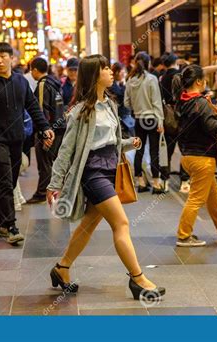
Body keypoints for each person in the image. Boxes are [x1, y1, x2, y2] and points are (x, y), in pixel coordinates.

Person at [46, 54, 165, 301]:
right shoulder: (80, 111)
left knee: (89, 225)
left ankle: (62, 268)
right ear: (94, 75)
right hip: (93, 172)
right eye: (105, 68)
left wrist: (128, 143)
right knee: (121, 223)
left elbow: (108, 141)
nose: (112, 71)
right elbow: (66, 150)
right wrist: (54, 183)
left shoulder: (110, 105)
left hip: (112, 169)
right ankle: (137, 278)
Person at [0, 42, 54, 245]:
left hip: (18, 140)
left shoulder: (20, 81)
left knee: (8, 182)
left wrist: (44, 127)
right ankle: (11, 226)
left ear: (12, 58)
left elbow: (33, 106)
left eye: (3, 56)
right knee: (6, 182)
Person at [175, 65, 217, 247]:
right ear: (198, 82)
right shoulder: (200, 102)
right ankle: (183, 235)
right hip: (202, 157)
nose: (205, 82)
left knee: (213, 193)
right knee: (196, 198)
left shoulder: (182, 100)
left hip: (188, 156)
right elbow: (211, 127)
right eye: (204, 79)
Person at [125, 52, 165, 194]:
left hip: (138, 119)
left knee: (139, 150)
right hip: (152, 119)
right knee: (154, 151)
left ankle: (141, 183)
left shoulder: (130, 80)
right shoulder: (152, 79)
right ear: (148, 63)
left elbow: (126, 103)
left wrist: (136, 108)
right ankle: (156, 184)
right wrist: (160, 121)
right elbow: (156, 102)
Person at [27, 57, 66, 204]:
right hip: (59, 127)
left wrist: (44, 132)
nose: (31, 73)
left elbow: (41, 109)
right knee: (53, 161)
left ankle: (42, 193)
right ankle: (53, 191)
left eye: (31, 70)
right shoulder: (55, 83)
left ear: (36, 70)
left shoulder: (43, 85)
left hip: (50, 129)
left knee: (44, 163)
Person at [159, 52, 190, 193]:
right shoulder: (180, 75)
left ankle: (164, 180)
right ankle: (184, 181)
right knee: (184, 150)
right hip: (182, 116)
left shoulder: (161, 78)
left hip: (168, 118)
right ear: (175, 61)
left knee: (168, 150)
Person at [108, 62, 134, 138]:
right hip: (118, 116)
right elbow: (121, 96)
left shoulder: (121, 84)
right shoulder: (111, 85)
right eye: (122, 73)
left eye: (125, 73)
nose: (124, 75)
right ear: (116, 73)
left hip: (125, 116)